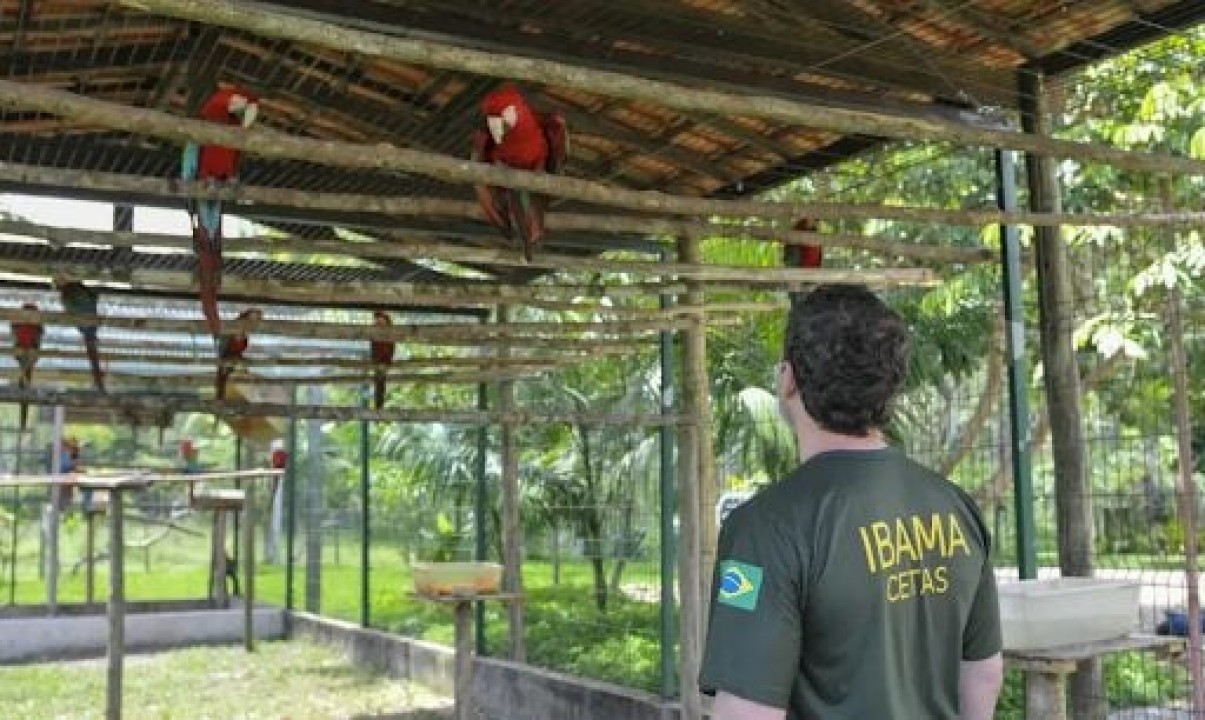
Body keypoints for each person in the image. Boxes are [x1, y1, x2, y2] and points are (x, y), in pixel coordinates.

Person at [699, 284, 1004, 720]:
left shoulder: (764, 529)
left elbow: (745, 713)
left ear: (787, 379)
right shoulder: (956, 508)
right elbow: (983, 674)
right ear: (890, 384)